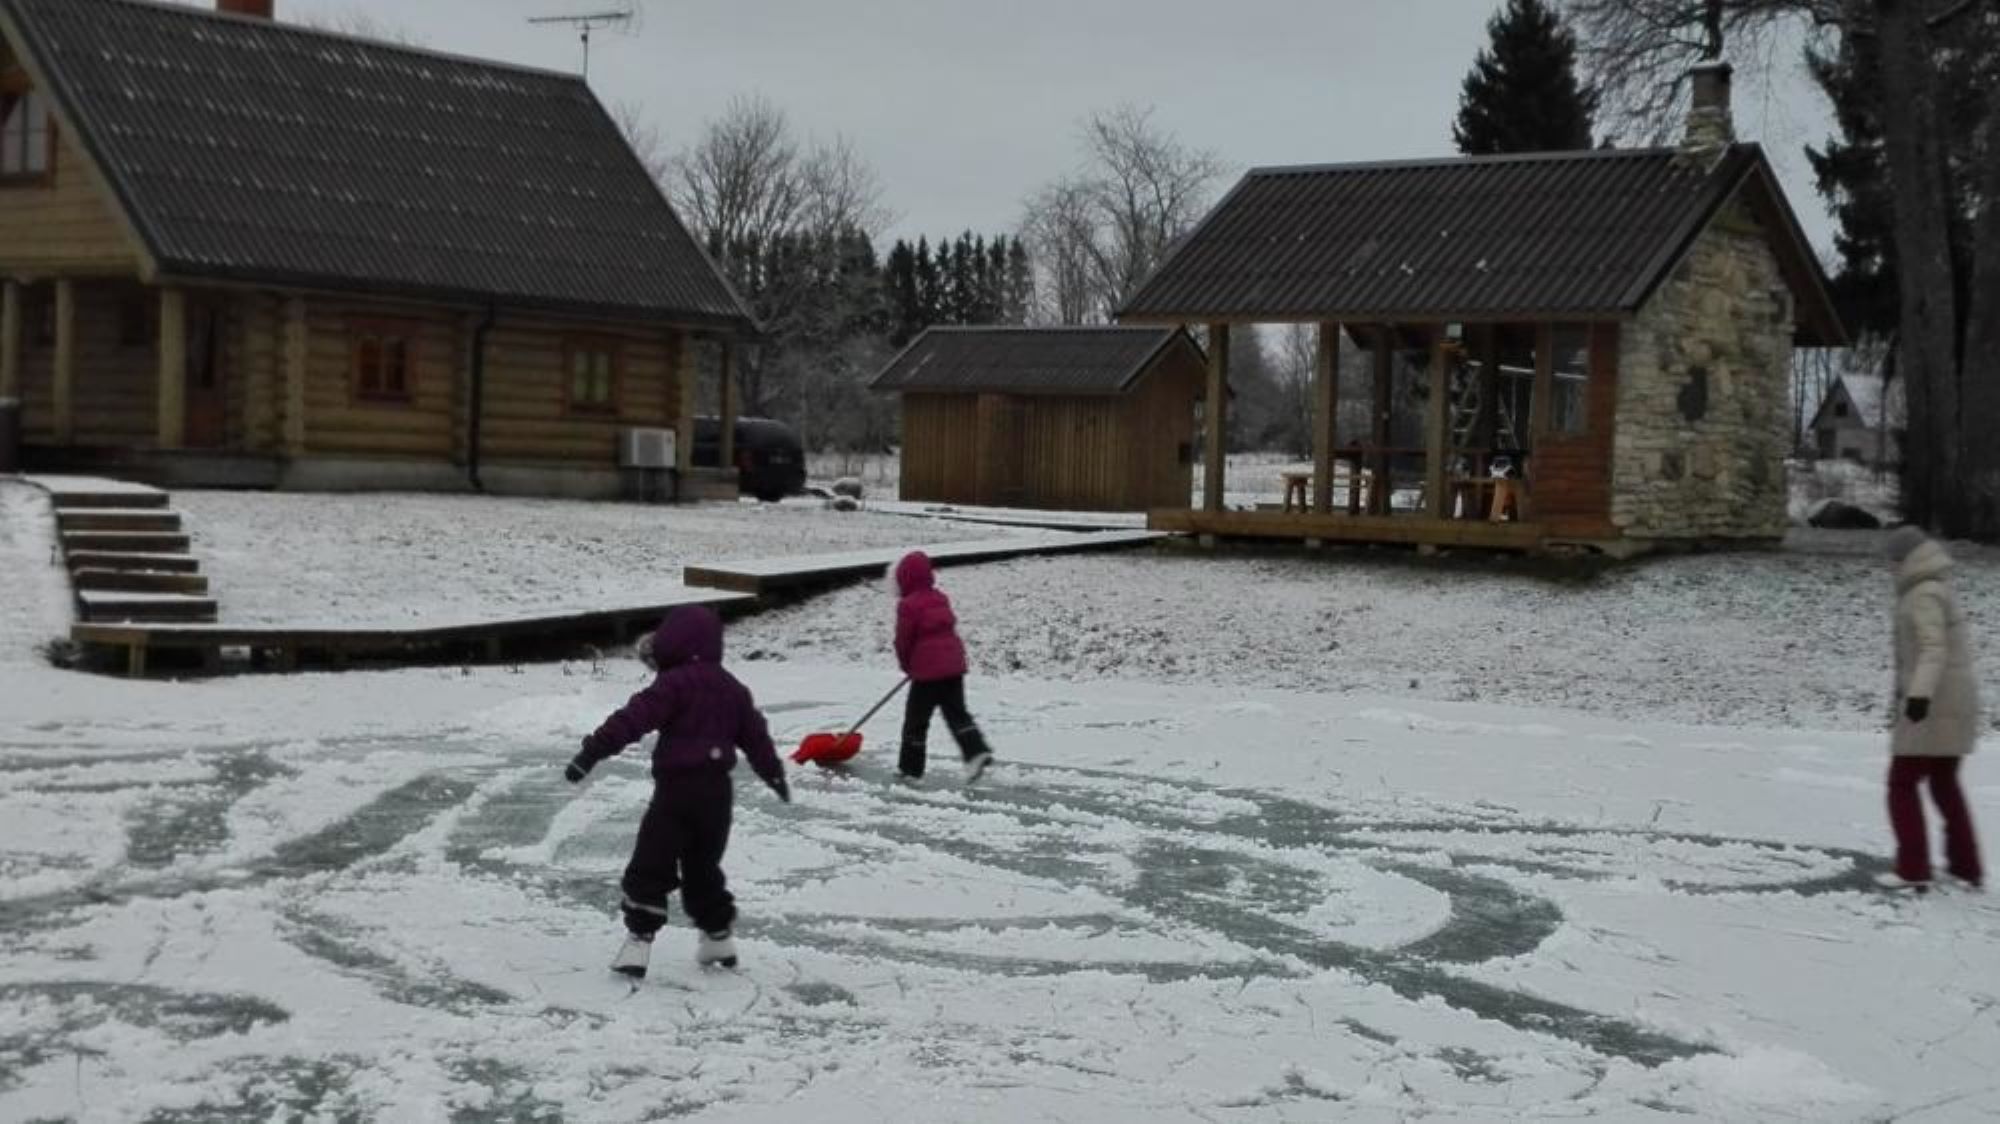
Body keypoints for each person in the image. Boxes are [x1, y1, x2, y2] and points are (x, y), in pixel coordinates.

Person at [564, 605, 790, 978]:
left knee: (652, 862)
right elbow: (757, 737)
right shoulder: (732, 688)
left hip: (677, 793)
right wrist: (775, 776)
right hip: (717, 796)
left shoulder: (674, 683)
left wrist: (591, 752)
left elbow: (632, 719)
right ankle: (717, 936)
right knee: (703, 867)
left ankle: (638, 942)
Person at [1880, 526, 1983, 892]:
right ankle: (1965, 867)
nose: (1889, 568)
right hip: (1953, 703)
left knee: (1901, 783)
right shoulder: (1935, 588)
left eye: (1892, 561)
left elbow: (1932, 648)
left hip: (1932, 706)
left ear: (1905, 560)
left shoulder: (1922, 594)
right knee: (1943, 783)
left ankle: (1912, 868)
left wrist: (1918, 697)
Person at [893, 551, 995, 784]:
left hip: (927, 673)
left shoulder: (907, 605)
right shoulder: (940, 598)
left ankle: (910, 770)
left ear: (905, 579)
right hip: (954, 667)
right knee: (957, 713)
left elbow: (903, 641)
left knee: (916, 721)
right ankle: (976, 750)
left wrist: (907, 665)